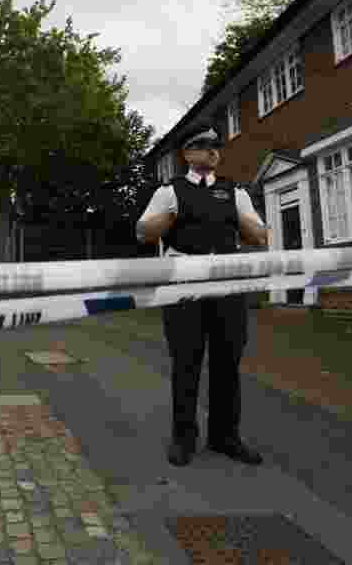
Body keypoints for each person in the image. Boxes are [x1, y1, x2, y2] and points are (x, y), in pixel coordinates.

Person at [136, 122, 269, 467]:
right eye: (204, 145)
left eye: (216, 145)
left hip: (227, 286)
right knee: (186, 362)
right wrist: (170, 216)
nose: (213, 151)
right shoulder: (170, 191)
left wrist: (246, 223)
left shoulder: (235, 191)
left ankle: (226, 436)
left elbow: (259, 236)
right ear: (187, 153)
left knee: (228, 363)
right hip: (183, 287)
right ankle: (183, 438)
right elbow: (143, 232)